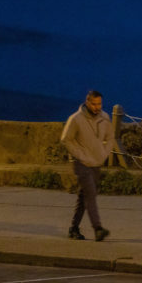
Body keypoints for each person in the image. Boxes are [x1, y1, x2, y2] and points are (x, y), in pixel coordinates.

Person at [60, 90, 112, 241]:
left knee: (84, 197)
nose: (97, 107)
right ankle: (98, 229)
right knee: (90, 194)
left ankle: (73, 228)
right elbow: (66, 139)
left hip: (96, 162)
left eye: (99, 104)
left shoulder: (105, 118)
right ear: (87, 102)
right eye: (94, 104)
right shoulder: (76, 119)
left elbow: (110, 137)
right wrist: (81, 155)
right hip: (81, 163)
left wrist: (104, 153)